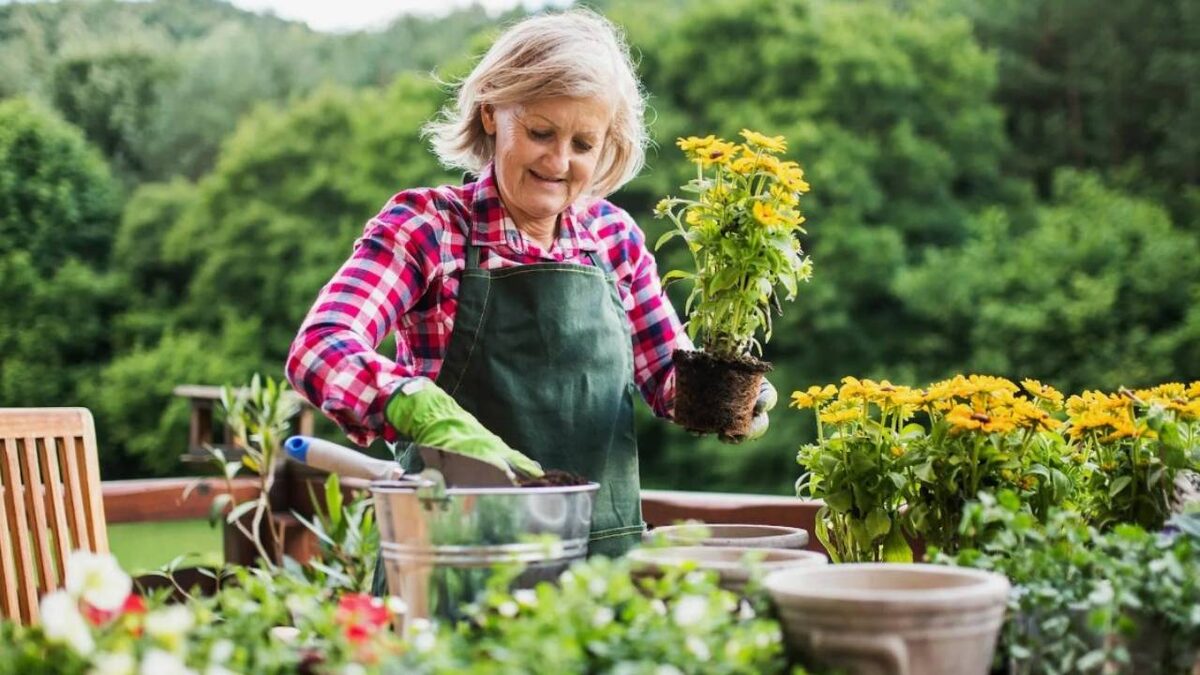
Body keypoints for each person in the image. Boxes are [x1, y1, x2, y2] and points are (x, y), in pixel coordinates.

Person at [284, 10, 776, 565]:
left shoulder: (615, 239)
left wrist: (735, 396)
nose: (559, 161)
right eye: (541, 133)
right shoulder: (428, 228)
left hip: (599, 564)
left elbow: (666, 378)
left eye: (584, 144)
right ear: (492, 112)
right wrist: (413, 402)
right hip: (457, 560)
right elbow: (319, 348)